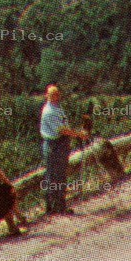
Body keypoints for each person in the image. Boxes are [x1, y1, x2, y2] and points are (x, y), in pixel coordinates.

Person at [40, 84, 91, 215]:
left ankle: (56, 206)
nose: (55, 96)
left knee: (58, 175)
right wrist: (79, 134)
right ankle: (55, 207)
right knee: (55, 176)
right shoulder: (50, 111)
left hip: (59, 144)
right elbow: (62, 130)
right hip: (54, 145)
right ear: (47, 96)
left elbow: (64, 126)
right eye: (52, 94)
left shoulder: (56, 107)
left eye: (57, 94)